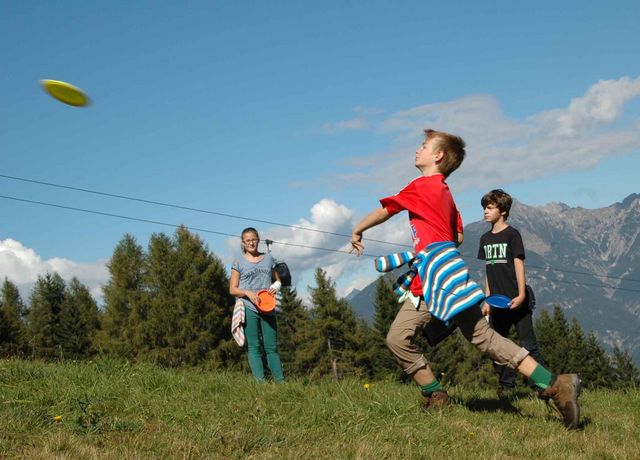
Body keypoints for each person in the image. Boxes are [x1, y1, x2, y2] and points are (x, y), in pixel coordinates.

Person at [350, 129, 581, 429]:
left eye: (423, 146)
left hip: (436, 280)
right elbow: (457, 236)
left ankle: (438, 393)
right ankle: (550, 383)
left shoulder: (421, 186)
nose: (416, 150)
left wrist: (357, 230)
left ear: (438, 156)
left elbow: (387, 210)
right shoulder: (446, 195)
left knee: (401, 338)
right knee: (480, 338)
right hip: (446, 276)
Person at [478, 189, 546, 396]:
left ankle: (544, 386)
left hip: (517, 301)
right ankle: (507, 388)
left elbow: (519, 264)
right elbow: (488, 270)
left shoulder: (512, 235)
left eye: (490, 208)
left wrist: (522, 295)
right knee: (498, 347)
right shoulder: (485, 238)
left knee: (529, 345)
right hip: (497, 303)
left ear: (503, 210)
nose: (485, 212)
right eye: (484, 208)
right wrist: (487, 299)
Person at [229, 227, 284, 382]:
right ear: (243, 243)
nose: (251, 243)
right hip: (249, 307)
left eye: (253, 239)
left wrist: (275, 286)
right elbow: (232, 289)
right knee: (254, 347)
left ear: (258, 240)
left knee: (271, 348)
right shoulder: (238, 262)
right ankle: (261, 383)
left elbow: (278, 280)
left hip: (267, 307)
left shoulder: (268, 259)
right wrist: (247, 293)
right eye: (247, 240)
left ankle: (281, 382)